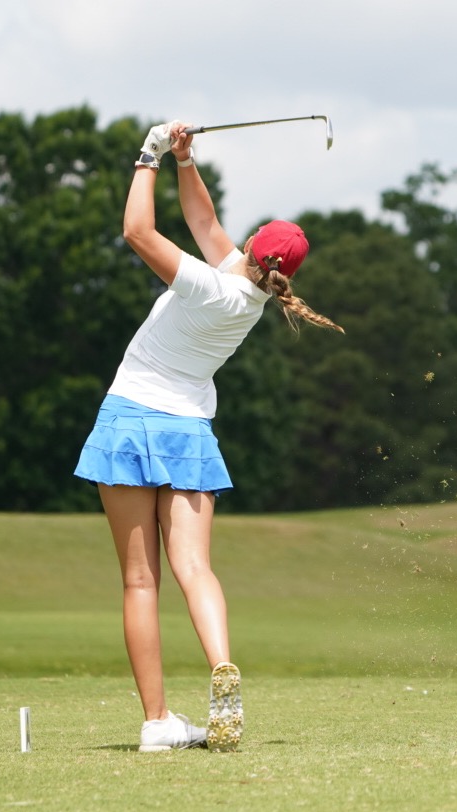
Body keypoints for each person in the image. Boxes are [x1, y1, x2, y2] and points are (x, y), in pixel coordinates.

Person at [74, 121, 342, 753]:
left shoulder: (208, 283)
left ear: (251, 247)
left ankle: (156, 722)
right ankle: (221, 664)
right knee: (194, 567)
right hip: (188, 431)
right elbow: (202, 222)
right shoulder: (249, 294)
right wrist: (186, 163)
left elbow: (137, 231)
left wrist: (149, 155)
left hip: (129, 422)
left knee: (141, 582)